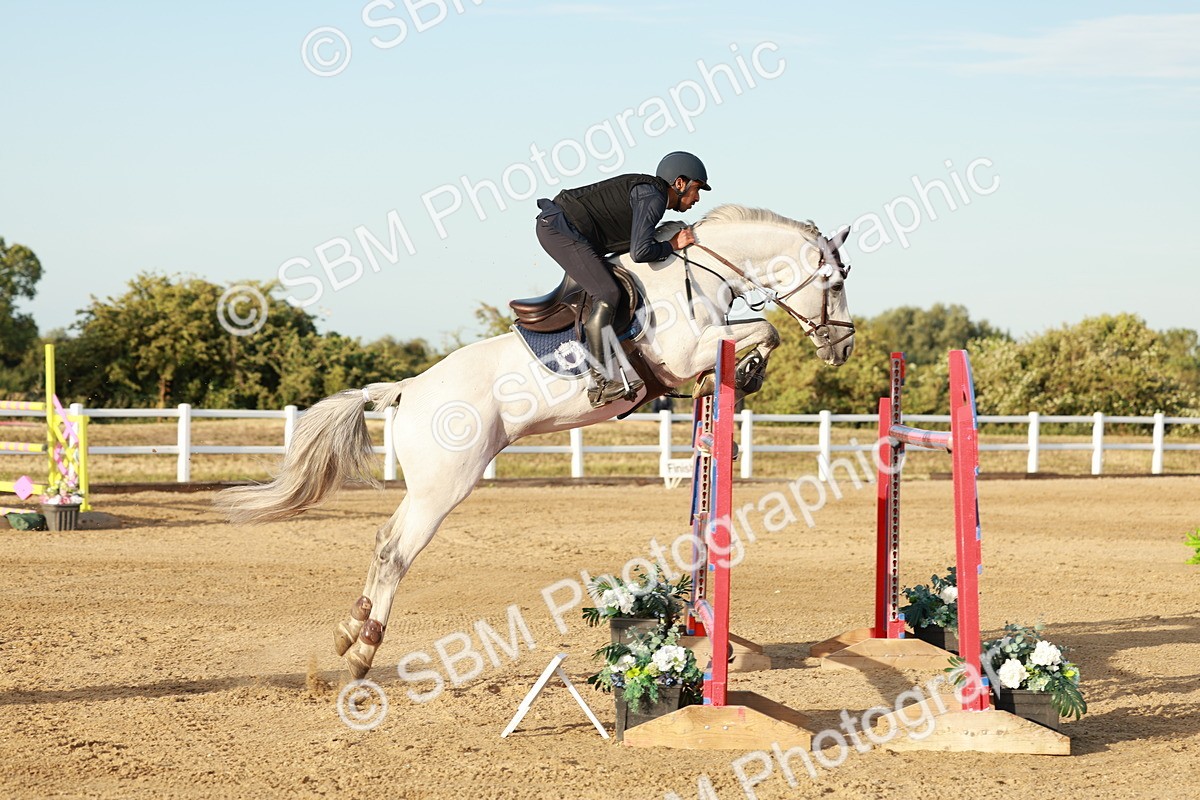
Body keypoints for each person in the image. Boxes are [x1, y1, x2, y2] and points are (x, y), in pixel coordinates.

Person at [535, 151, 711, 407]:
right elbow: (641, 252)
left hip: (568, 230)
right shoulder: (653, 196)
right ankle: (600, 383)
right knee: (608, 293)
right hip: (559, 228)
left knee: (612, 288)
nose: (697, 198)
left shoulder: (651, 195)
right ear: (680, 183)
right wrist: (673, 244)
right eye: (696, 189)